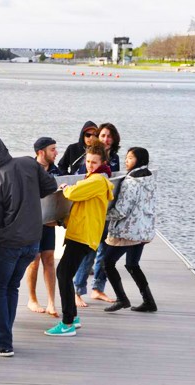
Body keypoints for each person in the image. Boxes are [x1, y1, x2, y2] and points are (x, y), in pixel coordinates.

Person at [0, 131, 57, 356]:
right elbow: (51, 187)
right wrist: (30, 193)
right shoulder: (29, 163)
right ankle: (5, 336)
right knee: (12, 287)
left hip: (9, 243)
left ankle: (3, 343)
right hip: (33, 241)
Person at [45, 141, 114, 337]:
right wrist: (62, 221)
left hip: (83, 236)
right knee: (65, 273)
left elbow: (74, 193)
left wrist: (66, 187)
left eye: (94, 162)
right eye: (88, 161)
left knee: (63, 274)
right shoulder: (94, 179)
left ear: (103, 163)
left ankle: (67, 323)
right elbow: (82, 208)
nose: (90, 165)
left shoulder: (97, 181)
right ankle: (73, 317)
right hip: (82, 234)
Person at [103, 147, 158, 313]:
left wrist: (102, 215)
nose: (126, 161)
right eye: (126, 158)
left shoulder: (130, 181)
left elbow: (121, 211)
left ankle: (121, 299)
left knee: (108, 262)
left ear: (138, 160)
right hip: (143, 230)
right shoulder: (150, 178)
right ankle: (149, 301)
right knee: (132, 264)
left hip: (128, 231)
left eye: (130, 158)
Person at [73, 122, 122, 306]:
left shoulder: (115, 158)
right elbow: (80, 179)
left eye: (109, 136)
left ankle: (97, 288)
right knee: (89, 252)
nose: (106, 139)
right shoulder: (90, 158)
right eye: (102, 135)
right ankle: (77, 290)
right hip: (92, 213)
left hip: (109, 211)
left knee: (105, 251)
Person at [25, 137, 62, 317]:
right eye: (53, 149)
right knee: (34, 260)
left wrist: (59, 220)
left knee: (49, 259)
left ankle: (51, 302)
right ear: (41, 152)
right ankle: (32, 299)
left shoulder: (57, 171)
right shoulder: (28, 169)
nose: (56, 152)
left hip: (48, 222)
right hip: (31, 222)